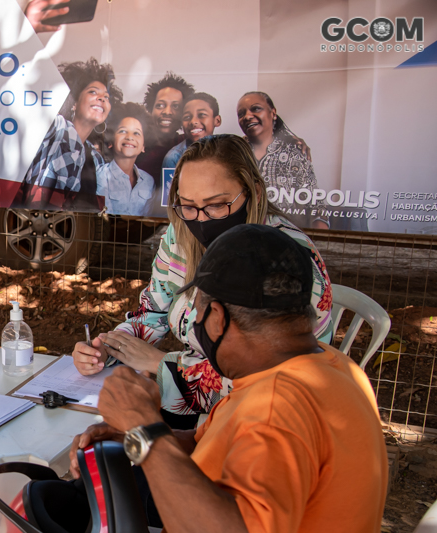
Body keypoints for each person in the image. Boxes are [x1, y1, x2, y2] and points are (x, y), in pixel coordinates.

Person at [0, 223, 388, 533]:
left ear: (217, 317)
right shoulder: (332, 369)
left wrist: (146, 432)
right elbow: (221, 447)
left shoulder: (277, 406)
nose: (193, 325)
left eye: (196, 311)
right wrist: (139, 436)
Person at [72, 135, 333, 428]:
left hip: (261, 422)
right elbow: (153, 312)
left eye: (217, 205)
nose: (201, 220)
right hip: (190, 408)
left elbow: (278, 381)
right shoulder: (181, 234)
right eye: (188, 205)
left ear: (254, 192)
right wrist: (107, 348)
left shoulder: (288, 259)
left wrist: (162, 366)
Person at [14, 59, 123, 212]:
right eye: (93, 92)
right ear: (74, 103)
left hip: (74, 233)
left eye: (106, 97)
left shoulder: (96, 159)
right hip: (37, 228)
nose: (102, 98)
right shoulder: (57, 128)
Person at [237, 91, 327, 229]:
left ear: (273, 113)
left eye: (255, 109)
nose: (247, 116)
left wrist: (315, 244)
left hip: (285, 238)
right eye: (241, 114)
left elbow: (315, 204)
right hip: (242, 235)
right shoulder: (234, 153)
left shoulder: (293, 152)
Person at [97, 102, 156, 216]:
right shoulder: (101, 176)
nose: (130, 137)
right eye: (123, 131)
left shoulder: (149, 181)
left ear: (143, 146)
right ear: (111, 142)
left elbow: (147, 221)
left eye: (136, 133)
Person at [136, 72, 195, 183]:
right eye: (160, 105)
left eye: (176, 106)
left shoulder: (188, 144)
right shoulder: (135, 143)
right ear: (151, 109)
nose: (167, 112)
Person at [162, 92, 221, 171]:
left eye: (201, 115)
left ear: (217, 121)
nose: (193, 121)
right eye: (187, 117)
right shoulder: (173, 157)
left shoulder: (229, 151)